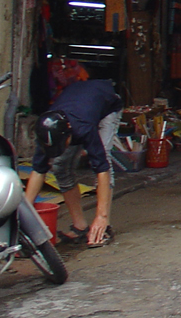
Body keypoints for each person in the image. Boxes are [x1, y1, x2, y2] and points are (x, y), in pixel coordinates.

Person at [23, 78, 123, 247]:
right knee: (60, 166)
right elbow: (38, 170)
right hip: (78, 102)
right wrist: (23, 214)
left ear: (69, 133)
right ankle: (80, 227)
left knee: (102, 158)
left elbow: (102, 170)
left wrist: (100, 216)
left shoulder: (83, 127)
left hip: (107, 106)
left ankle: (103, 226)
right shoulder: (46, 131)